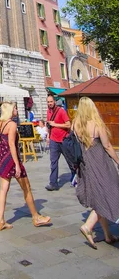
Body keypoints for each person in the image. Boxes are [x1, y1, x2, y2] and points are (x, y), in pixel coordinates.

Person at [72, 97, 119, 249]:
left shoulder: (75, 124)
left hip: (85, 166)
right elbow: (107, 146)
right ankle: (88, 226)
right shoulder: (97, 124)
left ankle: (107, 235)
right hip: (100, 164)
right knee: (110, 194)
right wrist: (118, 161)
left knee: (99, 197)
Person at [0, 101, 51, 231]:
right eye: (15, 108)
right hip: (11, 159)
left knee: (3, 189)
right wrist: (17, 165)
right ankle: (36, 217)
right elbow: (11, 144)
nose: (17, 109)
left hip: (2, 158)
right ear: (10, 110)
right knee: (26, 187)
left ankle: (1, 220)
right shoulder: (12, 124)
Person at [45, 94, 72, 191]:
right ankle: (53, 183)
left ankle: (75, 178)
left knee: (70, 160)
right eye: (48, 102)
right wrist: (48, 136)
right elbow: (49, 125)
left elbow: (68, 124)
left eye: (51, 102)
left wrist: (55, 124)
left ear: (54, 102)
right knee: (53, 162)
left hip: (63, 139)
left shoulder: (61, 111)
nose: (49, 103)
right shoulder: (48, 111)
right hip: (53, 140)